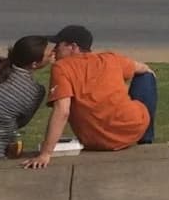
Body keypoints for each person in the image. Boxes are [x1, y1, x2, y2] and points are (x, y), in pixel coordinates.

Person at [23, 25, 156, 169]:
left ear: (73, 47)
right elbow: (142, 68)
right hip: (132, 131)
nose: (54, 50)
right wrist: (149, 72)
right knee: (146, 77)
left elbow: (62, 110)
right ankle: (146, 140)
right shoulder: (110, 59)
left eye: (59, 45)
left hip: (94, 141)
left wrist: (45, 154)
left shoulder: (62, 68)